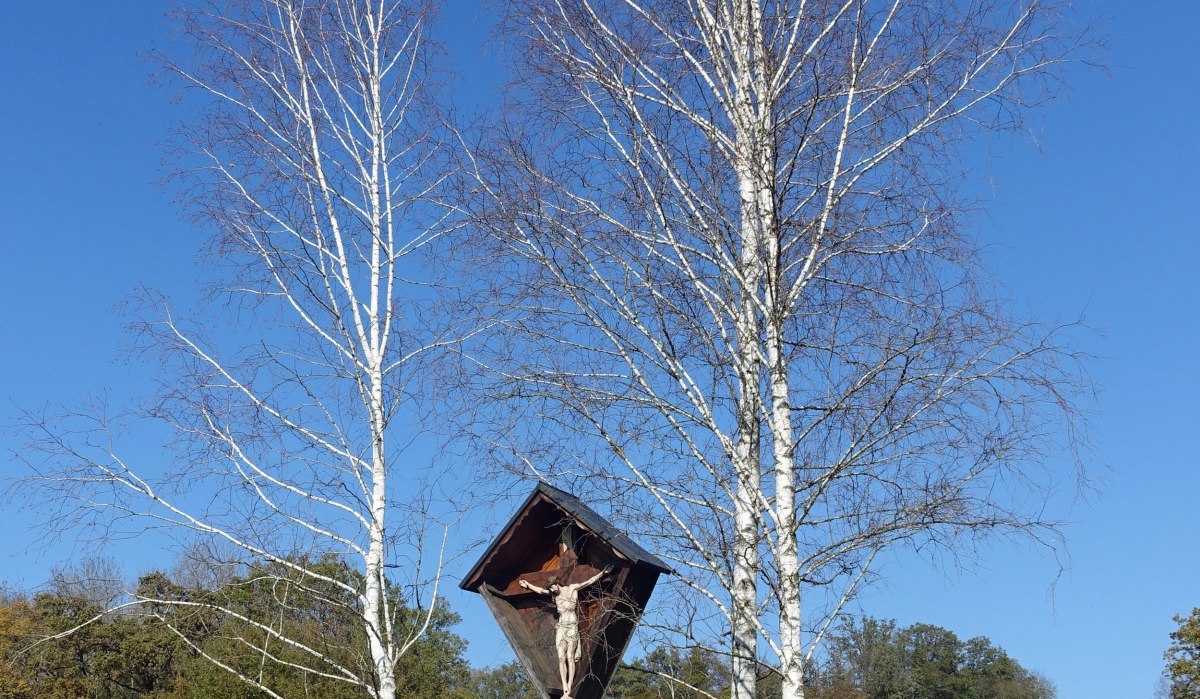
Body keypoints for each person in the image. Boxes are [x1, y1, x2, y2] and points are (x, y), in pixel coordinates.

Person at [519, 565, 612, 699]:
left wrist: (603, 573)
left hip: (572, 627)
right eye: (550, 589)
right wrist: (528, 584)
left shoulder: (572, 588)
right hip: (561, 627)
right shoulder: (554, 595)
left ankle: (569, 686)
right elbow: (540, 591)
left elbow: (589, 581)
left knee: (570, 657)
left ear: (557, 583)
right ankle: (565, 690)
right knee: (561, 658)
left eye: (552, 587)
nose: (552, 590)